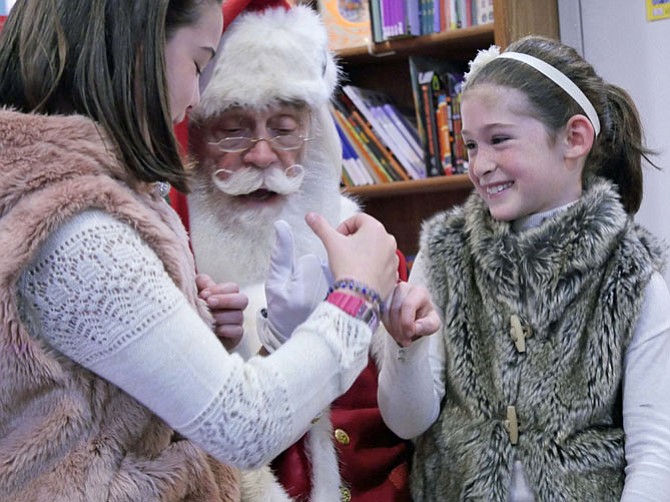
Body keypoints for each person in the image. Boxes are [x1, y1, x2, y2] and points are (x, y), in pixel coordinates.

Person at [0, 1, 412, 500]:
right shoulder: (77, 228)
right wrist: (356, 296)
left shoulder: (77, 200)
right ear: (138, 50)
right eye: (197, 64)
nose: (194, 98)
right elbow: (244, 426)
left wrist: (192, 335)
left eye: (284, 127)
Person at [377, 35, 670, 501]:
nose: (480, 164)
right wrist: (405, 348)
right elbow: (407, 421)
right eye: (471, 145)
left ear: (573, 138)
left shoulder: (631, 277)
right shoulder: (443, 257)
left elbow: (655, 454)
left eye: (499, 139)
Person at [173, 2, 417, 499]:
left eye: (285, 129)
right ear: (196, 139)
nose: (262, 156)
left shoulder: (370, 252)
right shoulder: (170, 277)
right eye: (232, 128)